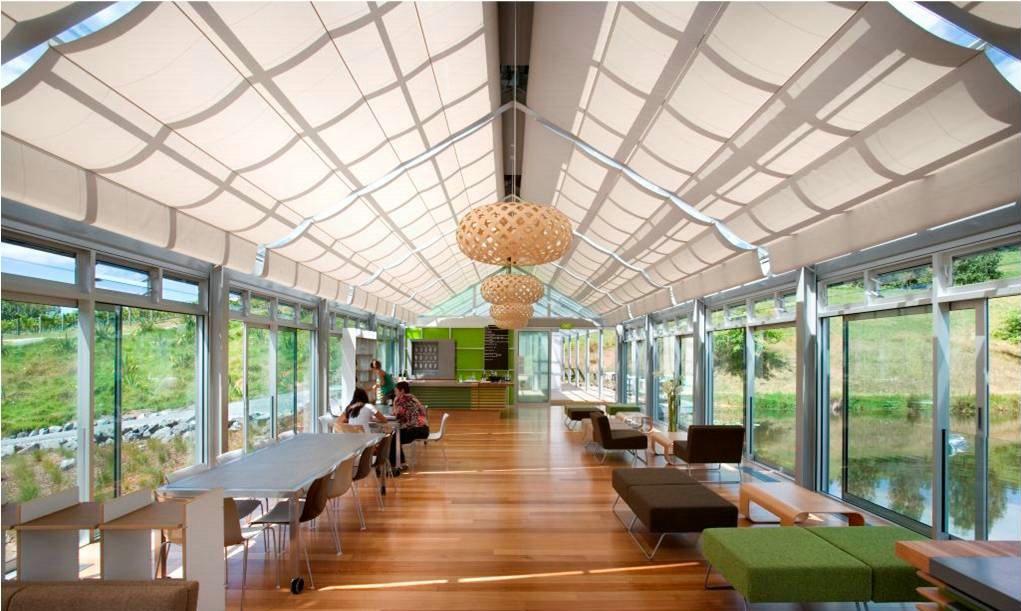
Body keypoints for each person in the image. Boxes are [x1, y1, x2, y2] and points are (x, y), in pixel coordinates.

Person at [390, 381, 429, 472]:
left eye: (396, 391)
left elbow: (397, 415)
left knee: (393, 438)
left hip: (416, 429)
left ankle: (398, 464)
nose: (395, 393)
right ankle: (400, 462)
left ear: (402, 391)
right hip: (424, 429)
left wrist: (395, 402)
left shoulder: (402, 400)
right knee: (395, 437)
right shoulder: (412, 397)